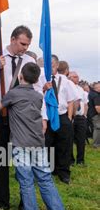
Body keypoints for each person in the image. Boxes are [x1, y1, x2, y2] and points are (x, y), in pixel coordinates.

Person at [0, 63, 69, 210]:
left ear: (20, 76)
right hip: (38, 143)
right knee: (46, 179)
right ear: (37, 79)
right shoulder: (38, 96)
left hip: (20, 144)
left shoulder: (13, 94)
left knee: (26, 182)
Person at [0, 25, 33, 210]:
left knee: (23, 160)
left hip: (22, 118)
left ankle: (25, 202)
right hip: (0, 115)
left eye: (27, 44)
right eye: (22, 43)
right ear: (12, 39)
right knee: (0, 158)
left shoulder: (29, 61)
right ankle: (2, 201)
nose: (24, 48)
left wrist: (44, 119)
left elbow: (37, 89)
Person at [39, 55, 77, 184]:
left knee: (64, 144)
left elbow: (71, 100)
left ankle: (63, 172)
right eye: (47, 66)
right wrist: (43, 88)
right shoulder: (40, 79)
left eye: (53, 66)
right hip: (46, 117)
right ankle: (47, 170)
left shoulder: (65, 80)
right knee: (47, 144)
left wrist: (69, 117)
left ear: (57, 65)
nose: (50, 69)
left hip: (62, 116)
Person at [69, 71, 88, 166]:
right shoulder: (68, 87)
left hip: (80, 117)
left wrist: (84, 114)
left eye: (77, 76)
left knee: (81, 139)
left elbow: (85, 103)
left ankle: (80, 160)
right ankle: (71, 160)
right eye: (75, 77)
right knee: (69, 139)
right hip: (71, 116)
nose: (77, 78)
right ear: (70, 77)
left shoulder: (81, 89)